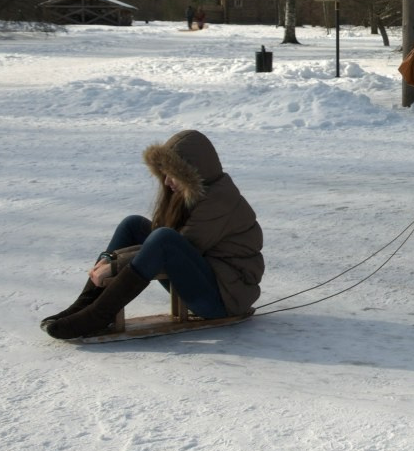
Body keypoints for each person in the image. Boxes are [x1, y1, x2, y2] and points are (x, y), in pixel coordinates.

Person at [40, 130, 265, 339]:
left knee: (164, 238)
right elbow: (161, 247)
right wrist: (111, 259)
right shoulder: (198, 193)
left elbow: (174, 245)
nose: (166, 182)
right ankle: (84, 305)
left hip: (223, 300)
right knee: (133, 225)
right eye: (164, 175)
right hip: (204, 281)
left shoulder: (219, 201)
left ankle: (98, 315)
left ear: (192, 173)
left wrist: (115, 265)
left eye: (172, 175)